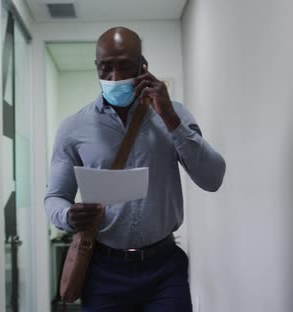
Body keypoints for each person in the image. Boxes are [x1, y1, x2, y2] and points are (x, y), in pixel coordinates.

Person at [45, 26, 226, 311]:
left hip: (163, 268)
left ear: (143, 67)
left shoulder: (173, 114)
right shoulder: (73, 128)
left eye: (125, 66)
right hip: (103, 270)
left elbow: (213, 177)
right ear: (96, 67)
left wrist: (169, 119)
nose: (114, 77)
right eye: (106, 68)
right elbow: (53, 197)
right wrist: (68, 215)